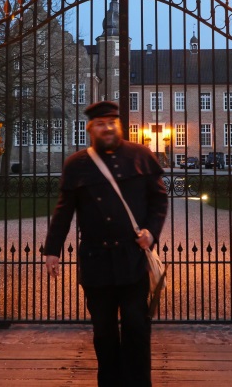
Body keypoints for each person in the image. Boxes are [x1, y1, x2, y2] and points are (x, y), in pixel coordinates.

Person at [44, 100, 168, 387]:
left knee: (137, 326)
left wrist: (151, 231)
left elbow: (159, 198)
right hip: (96, 260)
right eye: (100, 124)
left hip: (133, 258)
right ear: (91, 129)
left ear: (119, 125)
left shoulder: (141, 155)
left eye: (111, 122)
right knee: (104, 332)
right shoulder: (77, 164)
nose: (107, 128)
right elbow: (64, 210)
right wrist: (52, 251)